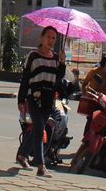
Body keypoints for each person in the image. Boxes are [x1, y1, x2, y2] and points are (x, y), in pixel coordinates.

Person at [16, 25, 66, 178]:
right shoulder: (33, 56)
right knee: (39, 129)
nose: (51, 40)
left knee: (39, 128)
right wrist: (21, 99)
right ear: (41, 38)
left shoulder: (56, 57)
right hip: (34, 97)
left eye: (53, 38)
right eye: (48, 37)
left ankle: (22, 155)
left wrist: (62, 63)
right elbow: (25, 78)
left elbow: (58, 78)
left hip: (48, 99)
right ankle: (41, 166)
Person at [80, 52, 106, 133]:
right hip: (92, 100)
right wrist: (84, 96)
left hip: (103, 102)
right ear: (105, 62)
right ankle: (86, 140)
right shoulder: (94, 71)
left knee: (102, 122)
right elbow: (84, 84)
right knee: (90, 120)